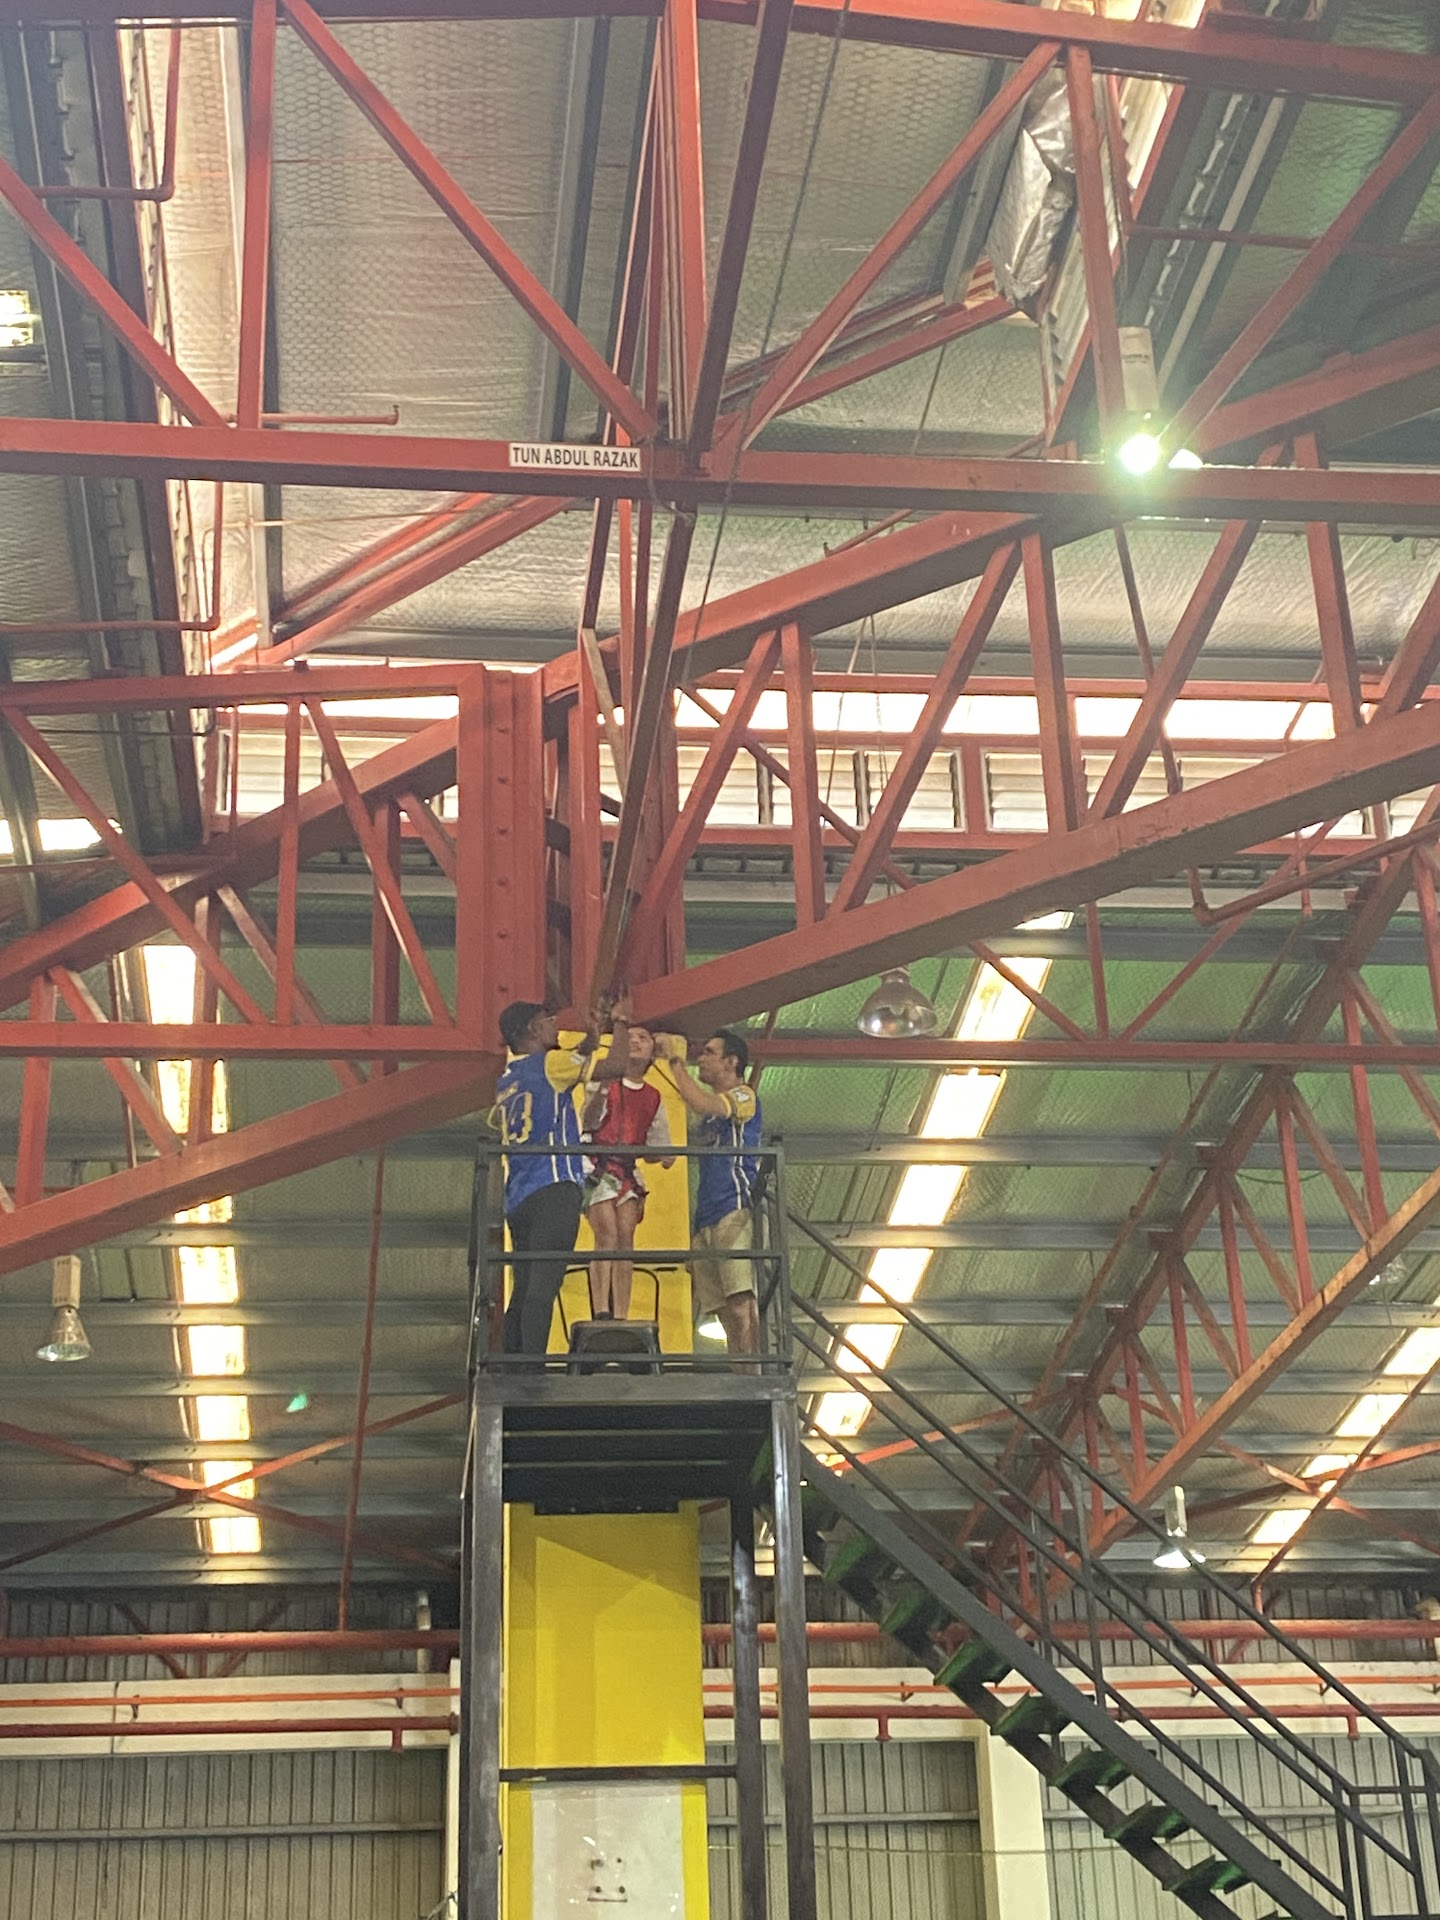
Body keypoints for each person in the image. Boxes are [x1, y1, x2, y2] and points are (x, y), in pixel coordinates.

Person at [493, 1000, 625, 1360]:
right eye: (547, 1020)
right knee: (543, 1288)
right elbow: (616, 1065)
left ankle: (513, 1366)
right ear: (533, 1029)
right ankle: (533, 1372)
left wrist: (590, 1039)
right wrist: (621, 1024)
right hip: (554, 1188)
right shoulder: (550, 1064)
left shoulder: (508, 1079)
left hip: (519, 1196)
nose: (555, 1024)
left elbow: (574, 1058)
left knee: (522, 1289)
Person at [657, 1028, 763, 1357]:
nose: (701, 1058)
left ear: (732, 1062)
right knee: (725, 1313)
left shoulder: (744, 1096)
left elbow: (702, 1102)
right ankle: (742, 1376)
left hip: (735, 1208)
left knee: (741, 1303)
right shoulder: (708, 1119)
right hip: (705, 1216)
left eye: (709, 1052)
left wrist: (676, 1062)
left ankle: (754, 1377)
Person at [581, 998, 675, 1322]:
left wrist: (663, 1155)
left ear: (652, 1052)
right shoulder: (605, 1080)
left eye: (643, 1038)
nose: (635, 1042)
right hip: (597, 1161)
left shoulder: (654, 1097)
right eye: (630, 1037)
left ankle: (621, 1312)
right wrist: (602, 1090)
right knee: (606, 1232)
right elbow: (589, 1120)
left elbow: (658, 1146)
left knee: (625, 1236)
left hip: (627, 1169)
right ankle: (601, 1309)